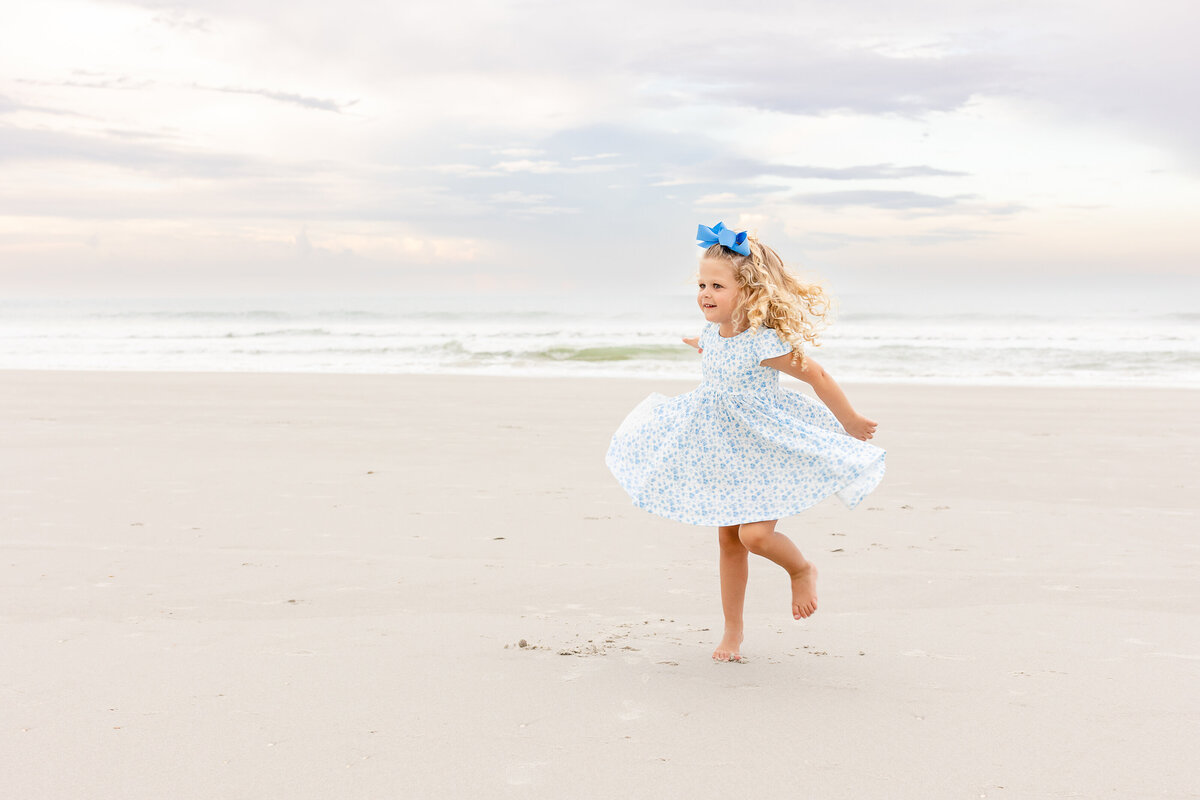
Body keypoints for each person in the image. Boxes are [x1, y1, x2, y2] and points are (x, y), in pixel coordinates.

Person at [605, 222, 886, 662]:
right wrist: (697, 340)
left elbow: (818, 375)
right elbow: (708, 345)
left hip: (763, 449)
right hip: (720, 451)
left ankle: (801, 568)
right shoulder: (714, 336)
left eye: (717, 285)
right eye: (701, 284)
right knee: (729, 542)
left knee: (755, 536)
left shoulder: (765, 342)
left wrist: (848, 419)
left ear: (749, 291)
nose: (705, 293)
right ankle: (732, 632)